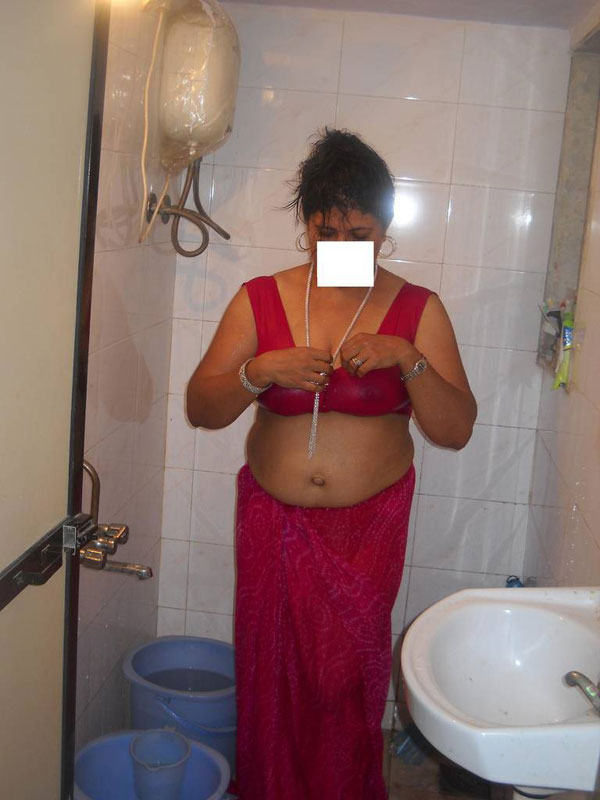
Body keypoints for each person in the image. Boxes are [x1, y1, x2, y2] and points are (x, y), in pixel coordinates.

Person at [186, 129, 476, 800]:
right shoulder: (260, 298)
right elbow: (203, 408)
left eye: (360, 235)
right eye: (327, 233)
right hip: (273, 522)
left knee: (342, 684)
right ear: (306, 226)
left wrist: (409, 360)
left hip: (366, 533)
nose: (343, 248)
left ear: (385, 230)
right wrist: (259, 371)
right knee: (271, 675)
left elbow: (455, 430)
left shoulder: (417, 308)